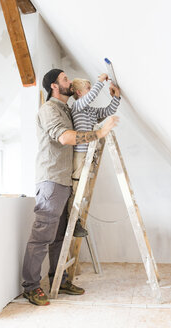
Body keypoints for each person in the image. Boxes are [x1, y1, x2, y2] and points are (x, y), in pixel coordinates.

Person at [22, 68, 119, 306]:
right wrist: (99, 133)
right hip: (52, 179)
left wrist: (115, 97)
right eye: (65, 79)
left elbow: (91, 113)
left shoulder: (69, 108)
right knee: (42, 235)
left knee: (59, 237)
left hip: (65, 180)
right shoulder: (49, 110)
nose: (69, 81)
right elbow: (65, 138)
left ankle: (60, 280)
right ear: (54, 85)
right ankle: (31, 287)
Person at [67, 74, 121, 237]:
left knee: (83, 192)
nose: (91, 92)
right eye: (88, 89)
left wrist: (116, 97)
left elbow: (109, 110)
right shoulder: (77, 106)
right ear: (79, 92)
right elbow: (91, 96)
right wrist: (100, 82)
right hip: (80, 154)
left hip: (89, 155)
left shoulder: (89, 111)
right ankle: (73, 223)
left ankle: (77, 219)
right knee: (76, 190)